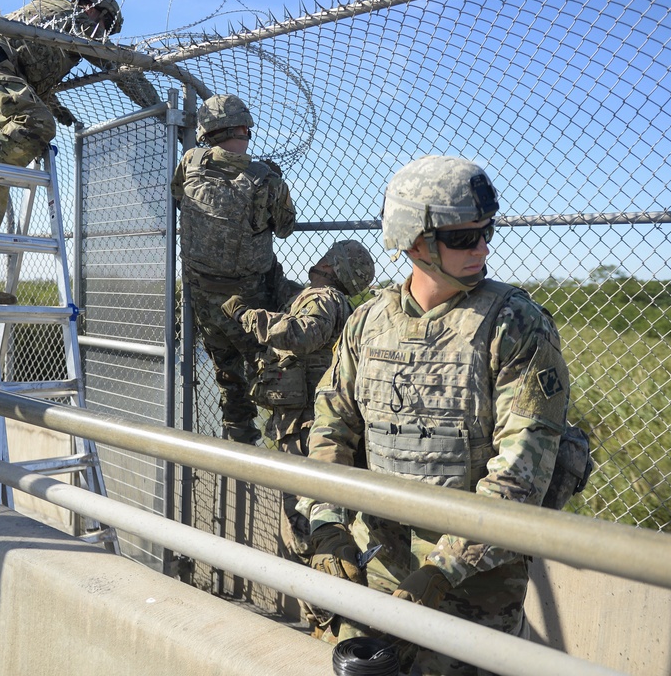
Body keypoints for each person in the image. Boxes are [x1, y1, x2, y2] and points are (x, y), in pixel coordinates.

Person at [298, 155, 570, 675]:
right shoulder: (367, 323)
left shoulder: (515, 325)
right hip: (373, 561)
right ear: (415, 242)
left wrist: (442, 569)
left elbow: (520, 471)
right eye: (465, 238)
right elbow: (331, 430)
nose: (483, 248)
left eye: (486, 232)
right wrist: (328, 528)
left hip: (475, 583)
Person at [0, 0, 161, 304]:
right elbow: (117, 67)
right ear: (92, 9)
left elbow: (31, 62)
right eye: (105, 25)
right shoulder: (72, 17)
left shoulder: (58, 28)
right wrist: (157, 107)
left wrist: (53, 102)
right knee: (36, 126)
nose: (103, 34)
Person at [221, 239, 375, 626]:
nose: (319, 260)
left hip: (305, 429)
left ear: (335, 268)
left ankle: (323, 618)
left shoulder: (322, 297)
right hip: (309, 426)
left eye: (328, 258)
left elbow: (302, 334)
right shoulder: (326, 299)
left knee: (302, 522)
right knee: (315, 516)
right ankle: (330, 611)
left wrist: (245, 314)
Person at [171, 94, 296, 444]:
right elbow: (285, 227)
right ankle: (283, 442)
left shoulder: (189, 162)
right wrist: (273, 183)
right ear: (245, 127)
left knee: (225, 369)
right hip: (250, 299)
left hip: (203, 292)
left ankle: (238, 431)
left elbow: (178, 197)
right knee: (268, 367)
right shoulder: (263, 178)